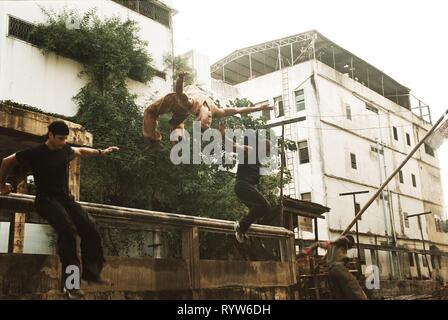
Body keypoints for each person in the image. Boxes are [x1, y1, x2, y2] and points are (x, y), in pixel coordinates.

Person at [0, 120, 119, 299]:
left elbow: (81, 151)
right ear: (51, 135)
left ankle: (91, 273)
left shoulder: (65, 150)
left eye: (65, 139)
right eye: (61, 138)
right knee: (68, 232)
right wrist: (2, 185)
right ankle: (71, 284)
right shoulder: (35, 153)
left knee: (91, 227)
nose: (64, 142)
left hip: (65, 199)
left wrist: (102, 152)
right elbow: (6, 161)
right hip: (46, 200)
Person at [142, 72, 273, 146]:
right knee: (170, 120)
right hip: (181, 106)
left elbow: (180, 93)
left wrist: (180, 79)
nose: (209, 121)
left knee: (151, 111)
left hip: (176, 101)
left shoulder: (191, 104)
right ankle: (157, 140)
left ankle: (167, 140)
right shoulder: (215, 111)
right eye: (209, 123)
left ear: (199, 118)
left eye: (206, 122)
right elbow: (236, 110)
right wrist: (259, 108)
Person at [219, 124, 274, 243]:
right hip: (243, 185)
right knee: (265, 206)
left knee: (262, 210)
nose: (267, 154)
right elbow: (233, 146)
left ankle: (245, 228)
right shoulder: (250, 150)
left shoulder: (258, 159)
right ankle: (240, 226)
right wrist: (223, 135)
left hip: (246, 187)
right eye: (267, 150)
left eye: (268, 152)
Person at [301, 235, 368, 300]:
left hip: (331, 271)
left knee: (339, 294)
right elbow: (343, 239)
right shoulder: (343, 242)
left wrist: (310, 248)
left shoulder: (330, 247)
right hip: (339, 268)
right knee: (355, 288)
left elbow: (318, 244)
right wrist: (332, 242)